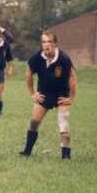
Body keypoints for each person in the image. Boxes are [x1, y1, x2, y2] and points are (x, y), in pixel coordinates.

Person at [19, 30, 77, 159]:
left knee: (64, 125)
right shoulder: (36, 57)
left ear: (55, 43)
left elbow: (72, 77)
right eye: (44, 42)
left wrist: (71, 98)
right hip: (44, 95)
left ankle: (66, 156)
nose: (46, 45)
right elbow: (28, 73)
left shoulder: (64, 58)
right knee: (34, 123)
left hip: (61, 96)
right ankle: (27, 152)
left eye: (49, 42)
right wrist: (32, 93)